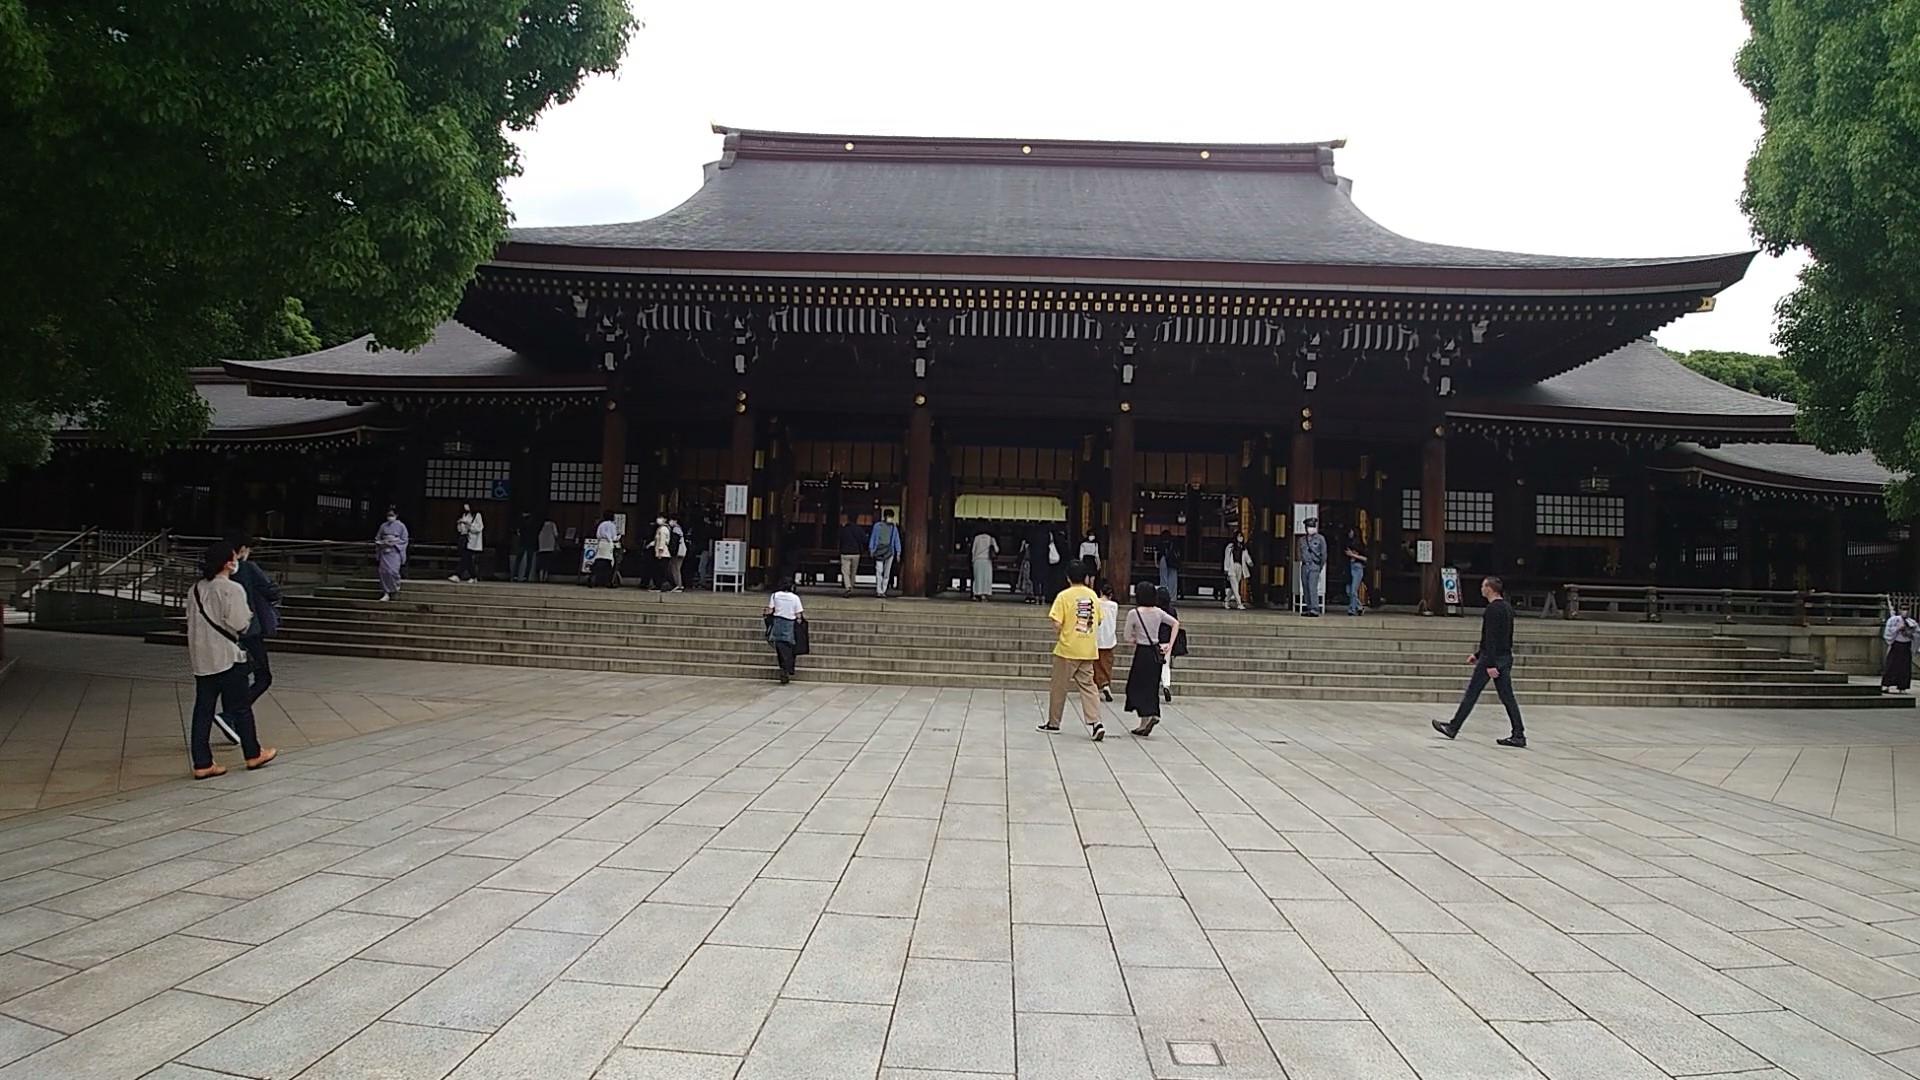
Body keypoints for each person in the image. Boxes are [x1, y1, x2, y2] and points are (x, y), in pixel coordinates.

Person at [183, 541, 276, 779]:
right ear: (227, 562)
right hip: (227, 656)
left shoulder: (195, 589)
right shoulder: (231, 589)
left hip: (202, 658)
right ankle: (253, 753)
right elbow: (240, 624)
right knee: (241, 707)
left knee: (203, 709)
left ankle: (202, 762)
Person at [1433, 575, 1526, 748]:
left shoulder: (1492, 609)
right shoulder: (1506, 607)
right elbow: (1502, 636)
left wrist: (1489, 662)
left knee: (1472, 693)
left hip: (1491, 658)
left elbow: (1490, 637)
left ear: (1490, 588)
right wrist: (1477, 654)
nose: (1481, 589)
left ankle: (1453, 727)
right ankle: (1518, 733)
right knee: (1507, 697)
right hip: (1504, 656)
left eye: (1484, 586)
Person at [218, 532, 280, 745]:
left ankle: (231, 720)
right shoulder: (248, 568)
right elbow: (271, 591)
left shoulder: (217, 572)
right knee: (263, 676)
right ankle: (232, 715)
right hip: (249, 629)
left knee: (233, 677)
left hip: (225, 632)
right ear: (242, 549)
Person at [1038, 559, 1105, 741]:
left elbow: (1057, 623)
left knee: (1059, 686)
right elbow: (1098, 620)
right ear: (1085, 577)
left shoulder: (1063, 596)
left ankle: (1054, 722)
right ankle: (1095, 722)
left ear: (1068, 577)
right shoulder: (1092, 595)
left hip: (1067, 649)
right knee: (1089, 687)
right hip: (1088, 648)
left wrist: (1060, 629)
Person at [1124, 581, 1180, 736]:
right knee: (1151, 687)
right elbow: (1175, 623)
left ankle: (1145, 718)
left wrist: (1136, 638)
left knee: (1136, 686)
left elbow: (1127, 636)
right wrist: (1169, 644)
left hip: (1142, 652)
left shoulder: (1134, 613)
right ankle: (1147, 718)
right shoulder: (1158, 612)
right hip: (1156, 652)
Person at [764, 578, 806, 685]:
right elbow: (798, 615)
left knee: (779, 648)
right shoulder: (795, 598)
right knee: (789, 648)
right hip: (789, 624)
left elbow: (770, 609)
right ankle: (786, 668)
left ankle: (783, 667)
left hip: (778, 623)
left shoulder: (775, 595)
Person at [374, 506, 409, 601]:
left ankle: (394, 588)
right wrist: (381, 543)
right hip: (384, 551)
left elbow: (404, 540)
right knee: (384, 572)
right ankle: (386, 592)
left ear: (396, 515)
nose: (390, 517)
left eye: (392, 515)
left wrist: (394, 542)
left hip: (395, 551)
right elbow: (378, 537)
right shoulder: (383, 526)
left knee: (392, 572)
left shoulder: (401, 526)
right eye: (388, 515)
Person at [1094, 580, 1119, 702]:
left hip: (1096, 637)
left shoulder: (1095, 603)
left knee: (1096, 663)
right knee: (1107, 663)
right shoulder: (1114, 606)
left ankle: (1100, 684)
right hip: (1109, 638)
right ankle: (1105, 683)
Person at [1884, 606, 1918, 694]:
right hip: (1896, 644)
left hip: (1906, 645)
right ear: (1899, 610)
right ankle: (1886, 685)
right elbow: (1888, 631)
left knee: (1904, 668)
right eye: (1903, 609)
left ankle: (1902, 687)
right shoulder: (1893, 620)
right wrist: (1897, 629)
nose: (1905, 611)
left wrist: (1910, 634)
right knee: (1891, 665)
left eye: (1907, 609)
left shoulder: (1912, 622)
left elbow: (1917, 634)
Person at [869, 509, 902, 597]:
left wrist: (898, 552)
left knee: (887, 572)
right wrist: (871, 549)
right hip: (879, 549)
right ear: (885, 517)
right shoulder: (877, 526)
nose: (890, 518)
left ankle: (883, 590)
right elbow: (873, 537)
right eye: (889, 517)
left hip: (889, 551)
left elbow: (896, 540)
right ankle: (878, 590)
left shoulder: (894, 528)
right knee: (879, 570)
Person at [1299, 518, 1327, 617]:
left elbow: (1323, 554)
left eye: (1313, 526)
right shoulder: (1302, 540)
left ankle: (1315, 609)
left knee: (1312, 587)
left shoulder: (1320, 539)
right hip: (1305, 565)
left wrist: (1320, 566)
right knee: (1305, 587)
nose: (1311, 529)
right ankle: (1309, 607)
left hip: (1314, 565)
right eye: (1309, 526)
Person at [451, 503, 484, 583]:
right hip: (465, 539)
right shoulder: (464, 514)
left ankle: (457, 574)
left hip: (473, 541)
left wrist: (468, 524)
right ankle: (473, 576)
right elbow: (461, 530)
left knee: (465, 557)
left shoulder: (477, 515)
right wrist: (460, 524)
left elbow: (479, 528)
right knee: (467, 559)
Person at [837, 514, 868, 597]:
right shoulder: (859, 529)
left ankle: (848, 587)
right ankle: (852, 586)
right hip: (856, 553)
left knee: (845, 572)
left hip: (845, 552)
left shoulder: (843, 529)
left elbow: (839, 539)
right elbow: (865, 540)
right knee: (853, 572)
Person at [590, 510, 622, 588]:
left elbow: (598, 535)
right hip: (608, 544)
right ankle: (608, 581)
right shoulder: (611, 525)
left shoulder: (601, 524)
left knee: (599, 560)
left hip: (601, 543)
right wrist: (618, 537)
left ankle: (594, 579)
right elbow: (613, 537)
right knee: (608, 562)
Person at [1223, 534, 1252, 610]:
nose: (1241, 538)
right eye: (1239, 537)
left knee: (1234, 587)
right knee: (1235, 586)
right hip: (1232, 567)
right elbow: (1227, 558)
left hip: (1239, 567)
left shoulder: (1243, 547)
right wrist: (1226, 568)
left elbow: (1246, 556)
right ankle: (1239, 603)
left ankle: (1226, 600)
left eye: (1242, 537)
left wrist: (1249, 562)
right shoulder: (1230, 547)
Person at [1343, 528, 1368, 616]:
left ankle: (1352, 609)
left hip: (1357, 567)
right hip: (1349, 567)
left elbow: (1365, 558)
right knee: (1348, 590)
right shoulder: (1348, 543)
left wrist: (1353, 555)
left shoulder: (1361, 546)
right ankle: (1359, 607)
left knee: (1353, 590)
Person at [970, 528, 998, 601]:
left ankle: (975, 593)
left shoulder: (977, 538)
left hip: (977, 560)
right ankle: (983, 595)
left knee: (977, 578)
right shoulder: (991, 538)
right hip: (986, 560)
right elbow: (996, 550)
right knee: (985, 578)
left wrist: (972, 560)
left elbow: (973, 550)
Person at [513, 512, 540, 582]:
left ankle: (515, 575)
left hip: (523, 541)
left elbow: (518, 532)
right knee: (529, 560)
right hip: (531, 542)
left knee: (518, 559)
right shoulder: (534, 524)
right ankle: (526, 576)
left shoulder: (522, 523)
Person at [1156, 531, 1181, 600]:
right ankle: (1172, 597)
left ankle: (1163, 596)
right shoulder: (1174, 544)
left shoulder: (1160, 543)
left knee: (1163, 578)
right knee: (1173, 579)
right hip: (1173, 561)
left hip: (1163, 559)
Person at [649, 517, 673, 590]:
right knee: (660, 570)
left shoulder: (663, 529)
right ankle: (659, 585)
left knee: (661, 570)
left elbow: (662, 541)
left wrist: (660, 551)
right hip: (661, 552)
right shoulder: (661, 528)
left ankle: (661, 585)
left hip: (663, 553)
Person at [667, 517, 688, 591]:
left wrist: (672, 551)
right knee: (677, 568)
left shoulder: (676, 529)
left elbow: (674, 542)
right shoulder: (679, 529)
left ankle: (677, 584)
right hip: (681, 551)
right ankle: (679, 584)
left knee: (675, 568)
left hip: (677, 552)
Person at [537, 514, 558, 582]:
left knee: (541, 564)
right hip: (550, 547)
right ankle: (545, 578)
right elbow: (556, 534)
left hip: (541, 547)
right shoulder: (552, 524)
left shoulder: (541, 525)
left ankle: (540, 578)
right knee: (547, 565)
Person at [1016, 537, 1037, 604]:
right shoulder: (1026, 544)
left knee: (1029, 578)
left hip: (1029, 562)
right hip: (1028, 562)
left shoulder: (1028, 545)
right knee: (1026, 578)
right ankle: (1029, 594)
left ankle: (1031, 594)